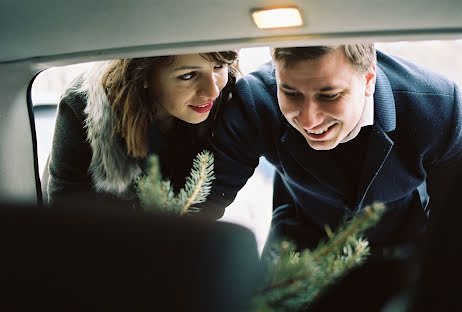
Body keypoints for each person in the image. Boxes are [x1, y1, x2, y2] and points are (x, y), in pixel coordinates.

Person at [203, 44, 462, 308]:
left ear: (369, 80)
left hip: (405, 245)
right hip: (299, 244)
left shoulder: (439, 105)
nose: (309, 120)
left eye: (329, 96)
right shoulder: (256, 100)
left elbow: (453, 221)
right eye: (291, 93)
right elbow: (201, 202)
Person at [44, 51, 239, 210]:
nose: (213, 91)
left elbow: (212, 202)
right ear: (143, 75)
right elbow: (67, 215)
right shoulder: (84, 106)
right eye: (188, 75)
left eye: (218, 67)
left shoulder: (229, 97)